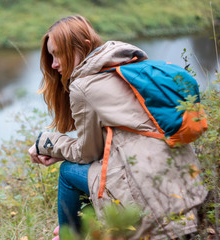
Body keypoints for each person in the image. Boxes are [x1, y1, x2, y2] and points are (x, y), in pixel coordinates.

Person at [28, 15, 208, 240]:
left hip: (151, 203)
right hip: (187, 190)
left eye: (58, 54)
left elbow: (87, 153)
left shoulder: (84, 87)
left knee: (68, 172)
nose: (54, 65)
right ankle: (84, 225)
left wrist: (46, 144)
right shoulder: (126, 66)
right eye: (51, 56)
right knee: (93, 171)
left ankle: (69, 236)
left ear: (82, 47)